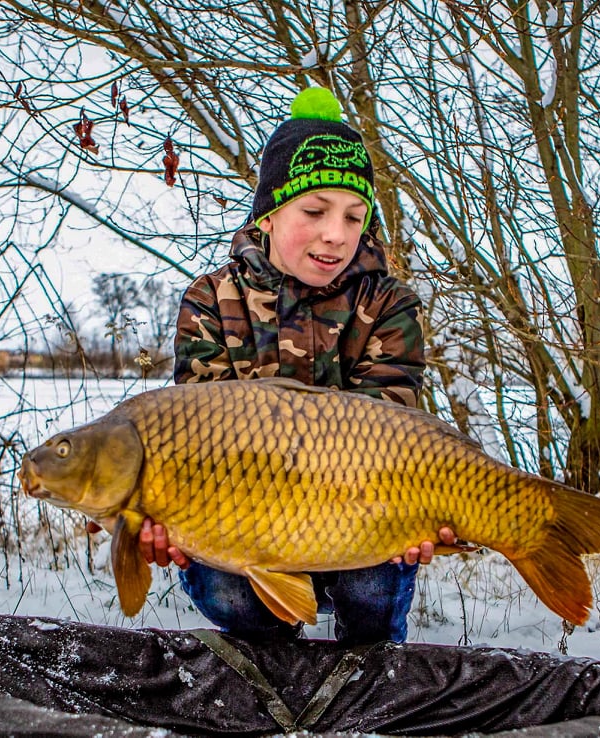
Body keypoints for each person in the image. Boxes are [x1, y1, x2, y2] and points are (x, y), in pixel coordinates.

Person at [133, 87, 454, 644]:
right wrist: (169, 516)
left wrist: (420, 513)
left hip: (362, 506)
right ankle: (273, 662)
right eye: (314, 211)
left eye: (354, 217)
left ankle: (367, 666)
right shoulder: (211, 300)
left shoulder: (388, 304)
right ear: (269, 215)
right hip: (245, 514)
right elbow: (197, 440)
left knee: (370, 590)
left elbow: (391, 433)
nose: (337, 234)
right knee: (229, 591)